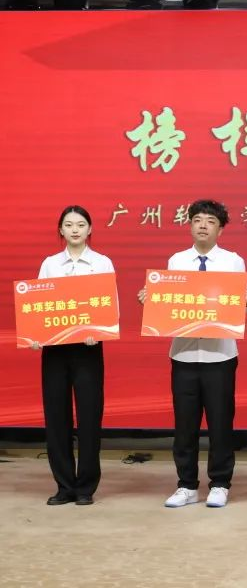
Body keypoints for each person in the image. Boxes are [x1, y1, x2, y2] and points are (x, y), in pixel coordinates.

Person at [139, 199, 247, 509]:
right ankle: (186, 485)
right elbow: (169, 304)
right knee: (185, 425)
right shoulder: (177, 261)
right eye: (198, 220)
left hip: (220, 356)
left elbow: (243, 304)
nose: (203, 225)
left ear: (220, 229)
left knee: (220, 424)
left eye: (211, 221)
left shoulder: (232, 261)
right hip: (184, 355)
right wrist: (151, 299)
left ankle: (220, 483)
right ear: (190, 225)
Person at [33, 205, 114, 506]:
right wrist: (35, 334)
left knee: (90, 416)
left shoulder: (102, 263)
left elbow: (110, 306)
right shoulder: (50, 264)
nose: (75, 230)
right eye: (69, 225)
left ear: (90, 229)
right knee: (57, 416)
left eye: (81, 224)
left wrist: (98, 331)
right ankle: (64, 485)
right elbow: (38, 304)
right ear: (61, 230)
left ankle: (86, 487)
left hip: (88, 349)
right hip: (55, 350)